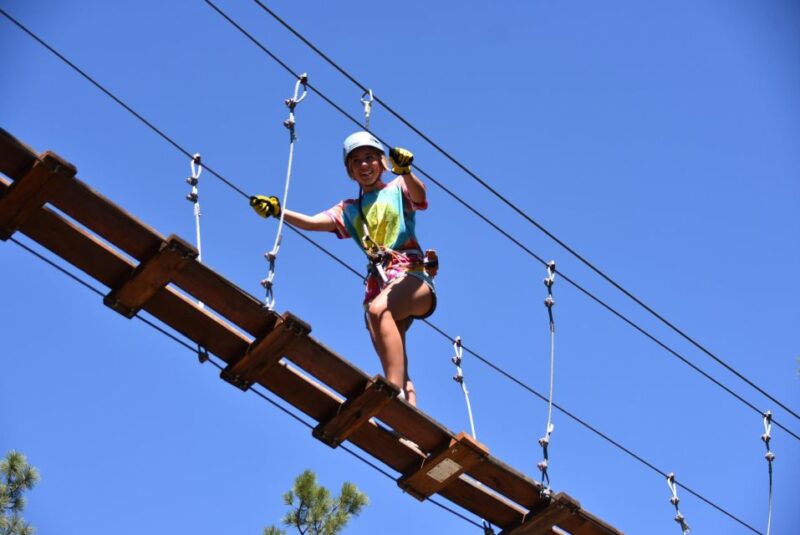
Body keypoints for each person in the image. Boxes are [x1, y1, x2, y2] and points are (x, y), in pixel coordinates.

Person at [250, 131, 436, 406]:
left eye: (370, 158)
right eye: (356, 161)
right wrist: (279, 211)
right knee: (386, 340)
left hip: (411, 276)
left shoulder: (397, 188)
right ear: (350, 171)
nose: (364, 165)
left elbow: (420, 197)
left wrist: (406, 171)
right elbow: (314, 222)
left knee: (378, 311)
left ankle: (391, 393)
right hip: (382, 284)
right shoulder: (350, 210)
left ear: (382, 162)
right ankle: (406, 414)